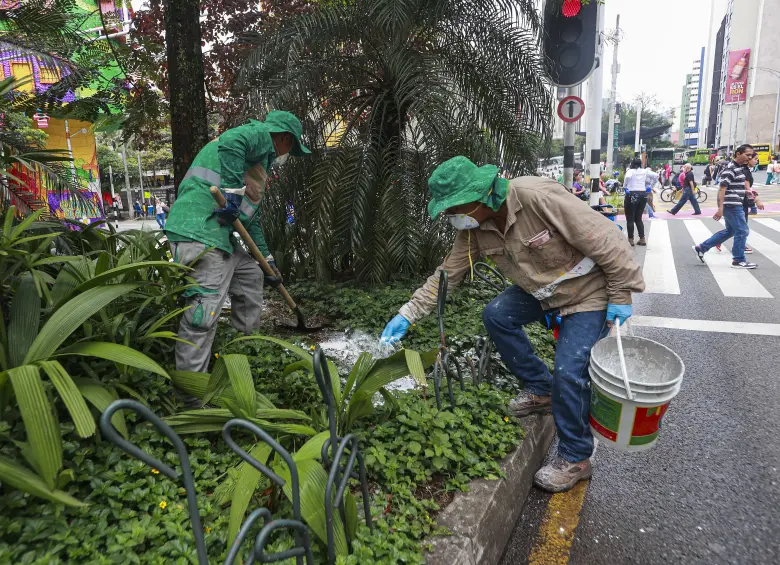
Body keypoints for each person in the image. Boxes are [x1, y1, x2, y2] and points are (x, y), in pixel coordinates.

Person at [379, 156, 645, 493]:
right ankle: (541, 388)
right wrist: (407, 313)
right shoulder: (474, 230)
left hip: (587, 292)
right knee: (497, 315)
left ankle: (576, 457)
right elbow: (447, 276)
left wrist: (620, 293)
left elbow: (606, 239)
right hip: (543, 291)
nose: (449, 216)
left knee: (570, 369)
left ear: (479, 195)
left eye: (452, 208)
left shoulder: (537, 198)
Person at [165, 110, 310, 403]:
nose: (287, 155)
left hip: (220, 238)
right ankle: (190, 397)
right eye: (290, 149)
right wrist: (231, 194)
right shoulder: (257, 136)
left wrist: (267, 261)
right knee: (202, 317)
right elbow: (231, 142)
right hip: (199, 231)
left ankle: (246, 350)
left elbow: (249, 221)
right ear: (283, 138)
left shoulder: (258, 165)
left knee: (250, 274)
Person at [693, 144, 757, 269]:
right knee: (742, 231)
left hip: (734, 203)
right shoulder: (730, 168)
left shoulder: (740, 168)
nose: (750, 157)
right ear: (738, 154)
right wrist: (720, 208)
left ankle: (702, 247)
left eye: (751, 155)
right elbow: (722, 189)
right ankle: (738, 260)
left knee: (731, 231)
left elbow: (733, 188)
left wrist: (747, 192)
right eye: (747, 155)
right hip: (732, 205)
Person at [623, 159, 651, 246]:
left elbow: (627, 177)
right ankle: (642, 239)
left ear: (632, 164)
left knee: (630, 218)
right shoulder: (645, 171)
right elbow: (653, 177)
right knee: (638, 218)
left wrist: (625, 186)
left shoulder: (630, 171)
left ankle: (630, 240)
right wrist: (648, 186)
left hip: (632, 194)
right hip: (643, 194)